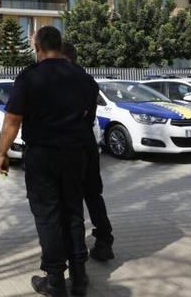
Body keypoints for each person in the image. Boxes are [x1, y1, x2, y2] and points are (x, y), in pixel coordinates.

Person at [0, 26, 98, 297]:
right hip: (74, 154)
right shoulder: (83, 78)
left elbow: (12, 121)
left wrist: (2, 153)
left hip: (43, 156)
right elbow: (88, 117)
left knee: (48, 215)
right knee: (73, 212)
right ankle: (79, 278)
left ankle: (54, 280)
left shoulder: (29, 77)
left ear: (38, 47)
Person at [61, 41, 114, 263]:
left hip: (69, 146)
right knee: (93, 194)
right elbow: (90, 116)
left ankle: (76, 252)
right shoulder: (89, 80)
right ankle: (104, 241)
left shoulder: (61, 81)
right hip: (87, 142)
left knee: (71, 200)